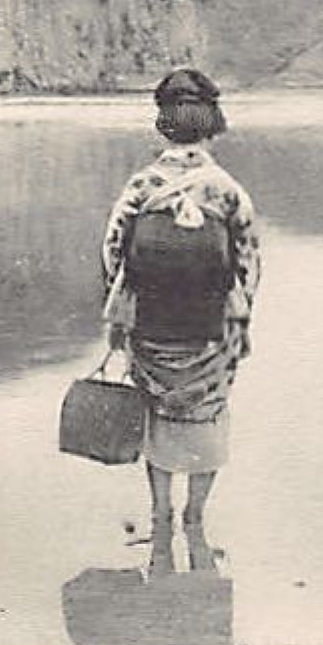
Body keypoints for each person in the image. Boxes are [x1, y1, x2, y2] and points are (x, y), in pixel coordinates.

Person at [101, 68, 262, 541]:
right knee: (207, 414)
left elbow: (112, 252)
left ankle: (160, 511)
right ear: (212, 123)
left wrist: (121, 314)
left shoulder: (140, 186)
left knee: (157, 415)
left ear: (162, 125)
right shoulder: (228, 190)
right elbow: (249, 264)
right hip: (210, 327)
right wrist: (239, 315)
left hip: (151, 323)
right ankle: (195, 515)